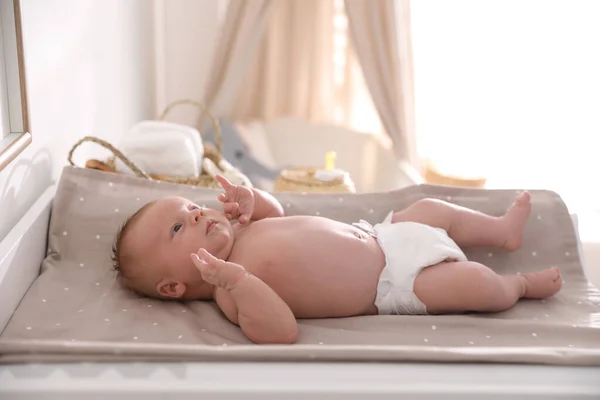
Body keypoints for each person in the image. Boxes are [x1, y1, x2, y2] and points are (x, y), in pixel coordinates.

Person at [111, 175, 562, 344]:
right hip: (394, 281)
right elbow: (282, 331)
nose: (197, 216)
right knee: (476, 285)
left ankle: (499, 230)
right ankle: (519, 285)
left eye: (192, 208)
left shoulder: (243, 228)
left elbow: (279, 213)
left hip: (382, 233)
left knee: (432, 209)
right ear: (174, 286)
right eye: (178, 228)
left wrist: (253, 198)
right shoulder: (232, 295)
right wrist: (236, 279)